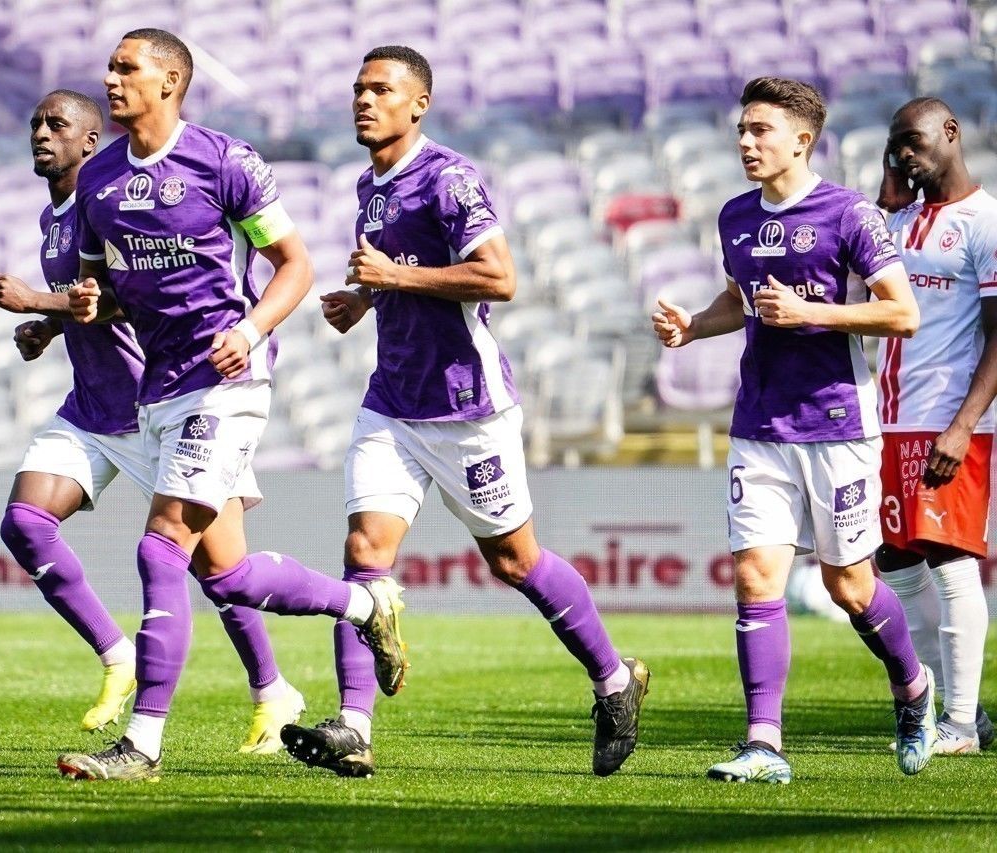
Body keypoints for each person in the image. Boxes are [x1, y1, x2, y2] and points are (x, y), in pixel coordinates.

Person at [279, 45, 649, 780]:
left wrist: (393, 275)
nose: (364, 100)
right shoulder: (369, 184)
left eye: (382, 89)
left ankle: (614, 681)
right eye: (358, 89)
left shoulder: (449, 177)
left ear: (419, 104)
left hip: (466, 405)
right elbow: (400, 276)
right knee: (364, 552)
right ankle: (354, 725)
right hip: (392, 402)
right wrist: (366, 297)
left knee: (515, 561)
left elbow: (498, 277)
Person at [48, 30, 409, 782]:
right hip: (159, 388)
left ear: (170, 81)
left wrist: (249, 330)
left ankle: (142, 745)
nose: (110, 80)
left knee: (161, 545)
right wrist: (86, 303)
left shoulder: (224, 161)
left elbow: (294, 265)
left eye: (126, 68)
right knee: (228, 575)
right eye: (109, 67)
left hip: (228, 380)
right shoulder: (100, 180)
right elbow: (104, 293)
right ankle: (365, 607)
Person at [0, 89, 305, 755]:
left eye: (56, 124)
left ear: (90, 140)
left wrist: (35, 301)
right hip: (91, 407)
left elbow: (136, 299)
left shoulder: (122, 198)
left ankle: (273, 687)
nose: (41, 132)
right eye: (35, 122)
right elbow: (91, 299)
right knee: (25, 522)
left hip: (159, 402)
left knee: (220, 569)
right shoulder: (58, 215)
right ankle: (116, 652)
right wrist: (49, 326)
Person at [652, 77, 935, 784]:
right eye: (742, 131)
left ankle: (913, 686)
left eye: (761, 130)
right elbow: (740, 300)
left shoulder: (850, 214)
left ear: (802, 139)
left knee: (850, 586)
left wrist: (814, 313)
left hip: (837, 424)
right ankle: (764, 743)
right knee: (755, 575)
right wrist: (694, 326)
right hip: (760, 423)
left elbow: (902, 313)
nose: (746, 142)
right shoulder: (735, 217)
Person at [874, 96, 995, 755]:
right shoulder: (898, 220)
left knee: (950, 560)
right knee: (895, 562)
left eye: (913, 142)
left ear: (951, 132)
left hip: (949, 421)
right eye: (895, 146)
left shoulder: (985, 221)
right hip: (888, 421)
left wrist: (963, 425)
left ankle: (960, 724)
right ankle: (954, 706)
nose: (904, 154)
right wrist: (887, 191)